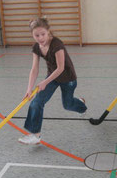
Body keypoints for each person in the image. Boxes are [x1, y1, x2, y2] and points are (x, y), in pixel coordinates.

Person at [18, 17, 87, 145]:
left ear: (48, 31)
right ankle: (35, 135)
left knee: (67, 105)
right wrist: (29, 89)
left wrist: (45, 82)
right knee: (36, 102)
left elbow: (61, 68)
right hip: (52, 77)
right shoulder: (36, 47)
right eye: (36, 35)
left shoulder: (57, 45)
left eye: (43, 34)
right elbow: (34, 69)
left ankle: (81, 106)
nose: (40, 38)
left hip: (67, 78)